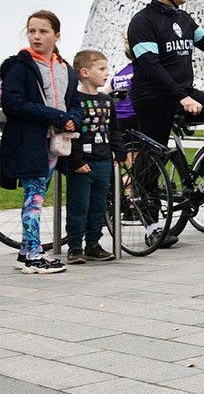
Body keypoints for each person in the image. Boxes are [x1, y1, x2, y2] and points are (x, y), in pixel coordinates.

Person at [127, 0, 204, 247]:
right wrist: (181, 97)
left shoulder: (184, 19)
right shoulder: (143, 21)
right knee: (153, 155)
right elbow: (150, 66)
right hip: (153, 95)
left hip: (182, 91)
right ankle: (151, 223)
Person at [1, 11, 83, 273]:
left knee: (37, 193)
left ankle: (26, 252)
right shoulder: (19, 66)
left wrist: (72, 119)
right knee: (34, 195)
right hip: (28, 141)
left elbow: (75, 102)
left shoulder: (65, 69)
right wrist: (56, 116)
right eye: (32, 31)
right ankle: (34, 256)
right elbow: (12, 103)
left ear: (56, 35)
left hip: (55, 144)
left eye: (43, 31)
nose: (36, 36)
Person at [65, 49, 125, 263]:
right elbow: (71, 135)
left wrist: (119, 151)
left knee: (99, 206)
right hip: (83, 164)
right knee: (79, 205)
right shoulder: (74, 101)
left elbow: (114, 129)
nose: (106, 73)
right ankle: (74, 246)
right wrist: (76, 161)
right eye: (101, 69)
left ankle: (93, 243)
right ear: (84, 72)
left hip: (104, 161)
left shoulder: (106, 101)